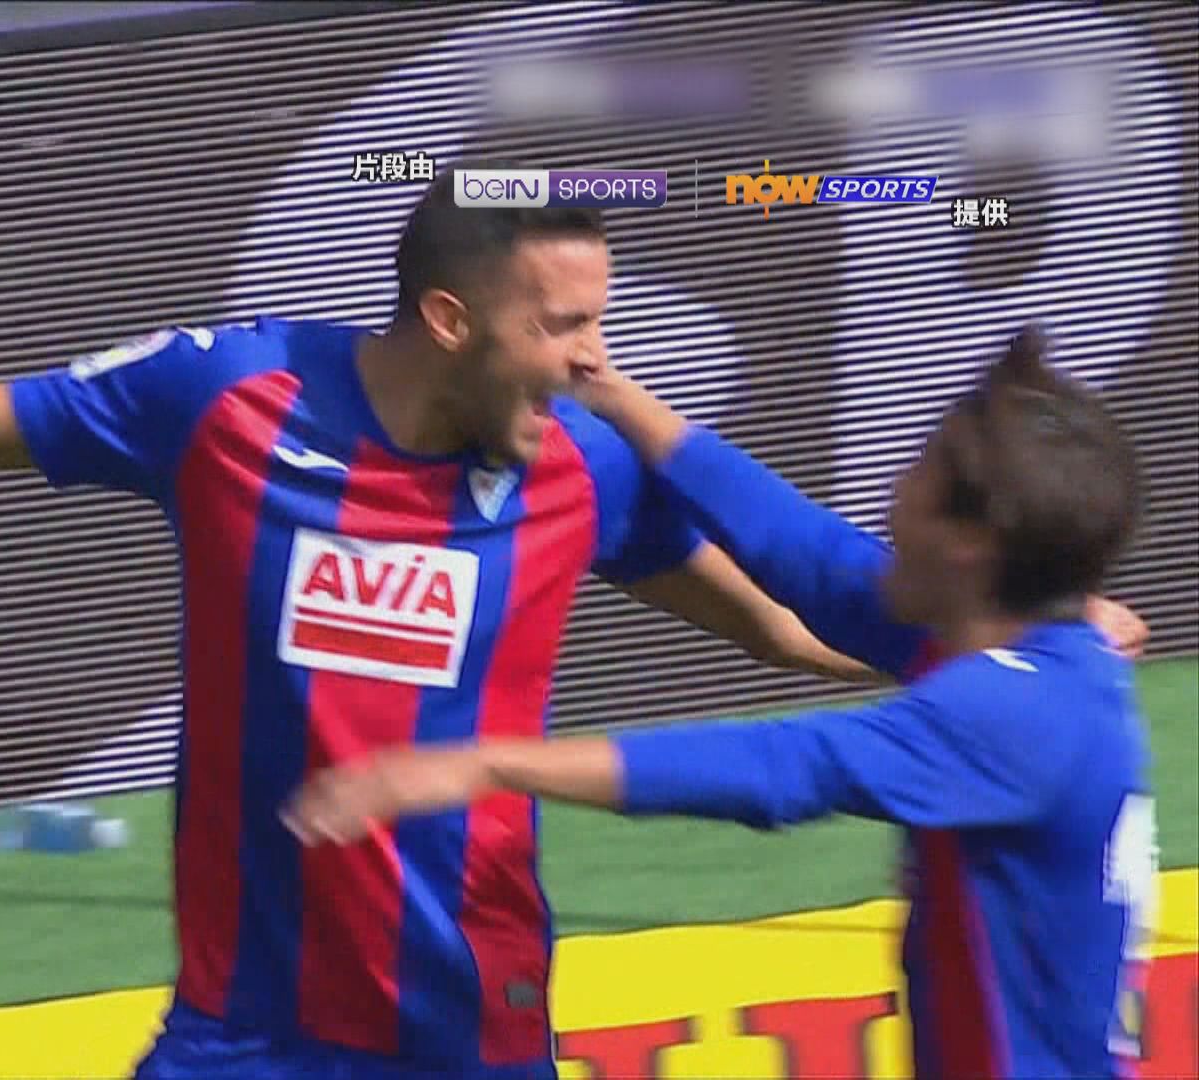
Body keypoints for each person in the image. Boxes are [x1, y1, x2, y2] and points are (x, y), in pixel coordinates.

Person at [0, 164, 1143, 1077]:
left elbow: (790, 626)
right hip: (245, 1024)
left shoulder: (578, 466)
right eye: (562, 328)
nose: (593, 361)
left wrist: (1023, 642)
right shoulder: (227, 399)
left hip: (465, 1022)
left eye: (603, 328)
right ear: (448, 320)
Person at [285, 324, 1160, 1080]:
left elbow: (783, 769)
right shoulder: (1025, 658)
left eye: (920, 475)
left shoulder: (1007, 717)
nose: (896, 495)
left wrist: (488, 763)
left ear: (973, 546)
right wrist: (613, 392)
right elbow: (807, 554)